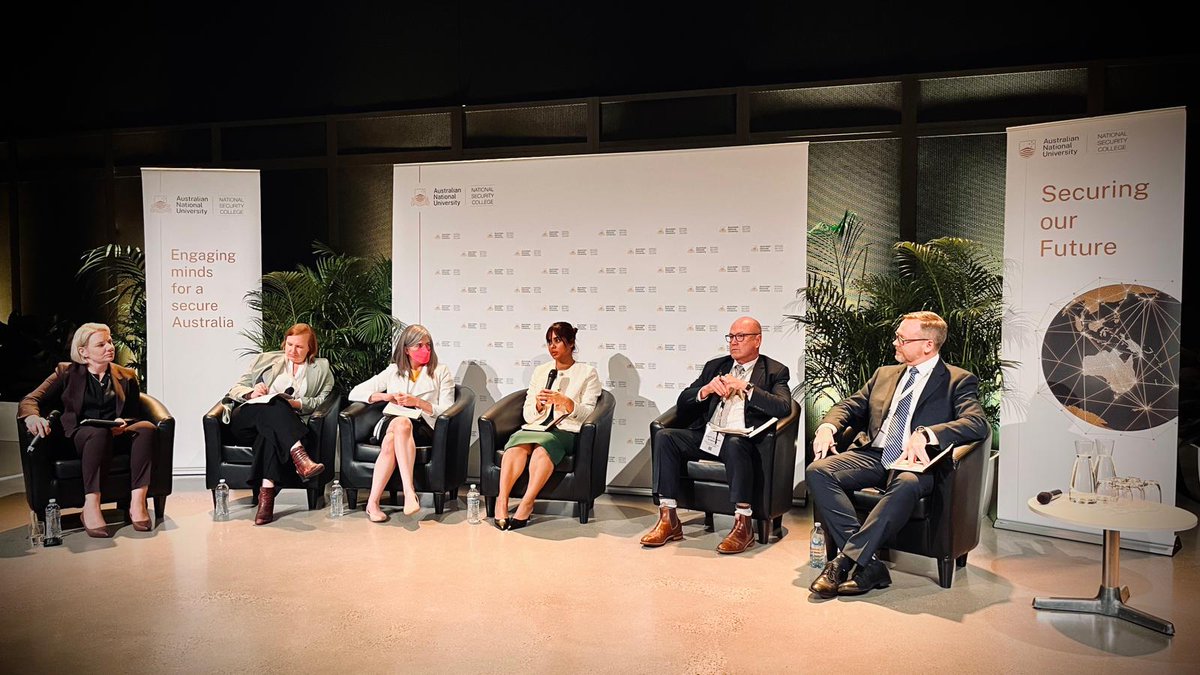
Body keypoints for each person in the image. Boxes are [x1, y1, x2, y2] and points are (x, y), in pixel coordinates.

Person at [807, 311, 988, 597]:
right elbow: (849, 405)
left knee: (905, 483)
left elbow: (976, 423)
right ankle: (872, 565)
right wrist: (827, 426)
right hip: (875, 454)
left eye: (902, 339)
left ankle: (845, 561)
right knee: (819, 470)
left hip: (916, 464)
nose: (895, 343)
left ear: (928, 344)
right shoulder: (884, 374)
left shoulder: (957, 380)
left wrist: (929, 434)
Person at [639, 316, 793, 554]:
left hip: (743, 442)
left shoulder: (774, 371)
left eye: (740, 336)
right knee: (666, 437)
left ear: (757, 340)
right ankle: (668, 519)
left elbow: (784, 407)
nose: (733, 342)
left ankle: (743, 525)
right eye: (730, 336)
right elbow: (683, 401)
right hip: (710, 437)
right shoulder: (715, 366)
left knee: (734, 442)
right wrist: (706, 390)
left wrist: (747, 388)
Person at [19, 323, 158, 538]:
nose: (109, 347)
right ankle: (91, 506)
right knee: (97, 432)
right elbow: (31, 399)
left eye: (110, 341)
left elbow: (133, 414)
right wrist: (32, 416)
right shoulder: (65, 372)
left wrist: (124, 421)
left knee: (147, 428)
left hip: (116, 433)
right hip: (81, 434)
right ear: (83, 351)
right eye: (101, 344)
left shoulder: (126, 375)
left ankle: (137, 501)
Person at [494, 321, 602, 530]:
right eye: (549, 342)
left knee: (542, 450)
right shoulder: (541, 372)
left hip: (565, 430)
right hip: (536, 428)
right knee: (516, 447)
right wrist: (538, 404)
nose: (552, 347)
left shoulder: (587, 373)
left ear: (571, 343)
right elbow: (527, 414)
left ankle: (527, 503)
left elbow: (589, 413)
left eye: (558, 341)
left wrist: (568, 403)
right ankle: (502, 502)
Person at [225, 323, 334, 525]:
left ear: (310, 348)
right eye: (289, 344)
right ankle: (299, 455)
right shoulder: (265, 360)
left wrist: (296, 403)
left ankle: (266, 497)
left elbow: (322, 401)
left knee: (270, 434)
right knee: (274, 402)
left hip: (281, 426)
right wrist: (252, 392)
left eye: (299, 347)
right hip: (248, 418)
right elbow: (236, 388)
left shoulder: (322, 368)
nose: (293, 351)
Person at [348, 324, 455, 522]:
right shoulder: (393, 371)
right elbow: (355, 392)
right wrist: (385, 396)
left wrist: (419, 403)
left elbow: (447, 409)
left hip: (423, 425)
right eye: (419, 346)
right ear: (406, 349)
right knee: (401, 423)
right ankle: (409, 491)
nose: (425, 350)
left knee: (391, 441)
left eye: (428, 345)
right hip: (391, 420)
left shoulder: (441, 372)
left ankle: (373, 503)